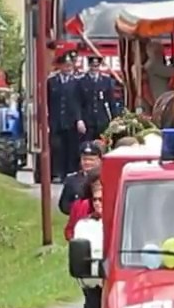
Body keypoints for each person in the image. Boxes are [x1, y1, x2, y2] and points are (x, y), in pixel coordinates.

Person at [65, 170, 105, 308]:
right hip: (91, 278)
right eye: (95, 199)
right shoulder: (86, 224)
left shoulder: (120, 223)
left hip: (114, 279)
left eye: (102, 199)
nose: (98, 203)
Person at [47, 53, 85, 181]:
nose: (68, 68)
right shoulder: (52, 81)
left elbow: (79, 102)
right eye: (66, 65)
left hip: (71, 121)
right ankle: (57, 173)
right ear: (61, 66)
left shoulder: (77, 82)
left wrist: (79, 119)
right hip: (56, 120)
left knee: (71, 147)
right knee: (57, 147)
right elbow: (47, 101)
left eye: (70, 65)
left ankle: (70, 173)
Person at [80, 55, 121, 143]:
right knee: (87, 145)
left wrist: (116, 118)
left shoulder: (106, 81)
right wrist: (79, 119)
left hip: (102, 120)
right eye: (93, 65)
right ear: (89, 65)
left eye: (97, 66)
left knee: (103, 144)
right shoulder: (81, 81)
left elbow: (111, 102)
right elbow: (78, 103)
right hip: (87, 119)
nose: (95, 68)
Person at [58, 141, 103, 215]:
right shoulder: (71, 180)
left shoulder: (104, 178)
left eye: (91, 160)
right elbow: (64, 205)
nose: (87, 162)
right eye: (85, 159)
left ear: (99, 161)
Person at [143, 39, 174, 111]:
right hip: (161, 99)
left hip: (163, 98)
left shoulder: (153, 64)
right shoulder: (153, 65)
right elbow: (172, 72)